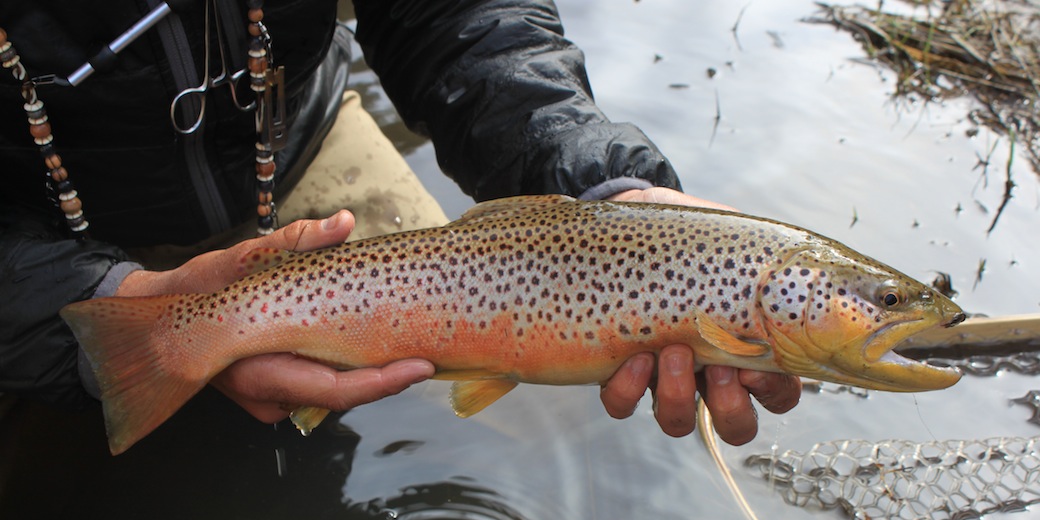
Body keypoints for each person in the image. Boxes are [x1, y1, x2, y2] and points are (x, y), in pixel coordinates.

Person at [0, 0, 800, 447]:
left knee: (536, 420)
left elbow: (453, 15)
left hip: (290, 147)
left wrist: (598, 182)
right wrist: (118, 298)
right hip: (32, 222)